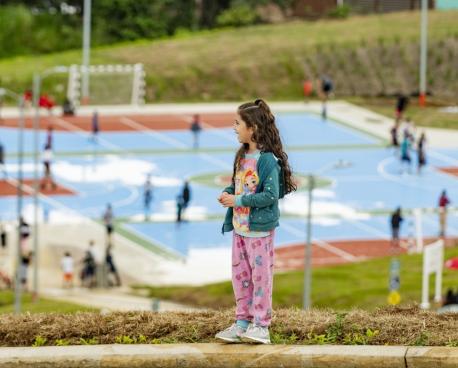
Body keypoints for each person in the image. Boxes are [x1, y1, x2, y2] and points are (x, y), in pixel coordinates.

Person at [215, 99, 296, 344]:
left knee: (261, 278)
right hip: (240, 229)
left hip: (259, 231)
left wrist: (237, 199)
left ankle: (261, 325)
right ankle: (242, 322)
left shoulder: (267, 160)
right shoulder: (241, 156)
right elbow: (238, 184)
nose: (234, 127)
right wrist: (229, 193)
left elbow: (270, 196)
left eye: (238, 123)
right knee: (240, 277)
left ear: (253, 128)